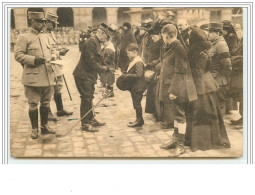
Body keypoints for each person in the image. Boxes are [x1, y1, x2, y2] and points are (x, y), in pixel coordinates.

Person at [186, 26, 230, 151]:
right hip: (201, 85)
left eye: (190, 38)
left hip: (204, 87)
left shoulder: (201, 53)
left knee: (203, 114)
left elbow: (198, 72)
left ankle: (203, 142)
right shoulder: (197, 51)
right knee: (200, 113)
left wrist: (186, 70)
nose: (188, 41)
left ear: (194, 40)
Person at [14, 12, 55, 139]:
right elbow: (18, 55)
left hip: (48, 75)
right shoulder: (24, 37)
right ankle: (34, 128)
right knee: (33, 103)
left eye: (43, 22)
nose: (43, 24)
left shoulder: (46, 37)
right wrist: (33, 60)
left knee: (46, 103)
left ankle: (44, 126)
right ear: (32, 22)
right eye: (40, 22)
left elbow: (51, 52)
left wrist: (56, 55)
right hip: (33, 77)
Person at [159, 24, 197, 156]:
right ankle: (175, 139)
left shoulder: (179, 48)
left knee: (180, 116)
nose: (162, 38)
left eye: (163, 36)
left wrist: (174, 91)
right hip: (173, 86)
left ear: (167, 35)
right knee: (176, 114)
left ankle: (180, 144)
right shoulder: (171, 47)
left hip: (180, 88)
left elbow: (180, 71)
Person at [73, 23, 111, 132]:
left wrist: (108, 67)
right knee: (86, 98)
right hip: (83, 75)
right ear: (101, 33)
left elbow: (99, 60)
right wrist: (104, 69)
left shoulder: (96, 42)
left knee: (89, 97)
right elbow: (91, 61)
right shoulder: (91, 42)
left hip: (89, 76)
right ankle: (85, 124)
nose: (107, 39)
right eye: (107, 37)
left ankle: (90, 119)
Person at [44, 12, 73, 121]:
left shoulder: (51, 33)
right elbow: (46, 52)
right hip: (48, 65)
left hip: (56, 64)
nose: (55, 26)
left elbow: (53, 48)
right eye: (53, 23)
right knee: (49, 88)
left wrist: (60, 51)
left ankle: (60, 110)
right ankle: (48, 113)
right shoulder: (42, 34)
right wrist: (58, 53)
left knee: (58, 86)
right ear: (47, 22)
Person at [208, 23, 232, 115]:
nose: (208, 34)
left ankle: (219, 127)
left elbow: (226, 63)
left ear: (217, 33)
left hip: (219, 80)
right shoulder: (213, 43)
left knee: (219, 105)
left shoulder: (221, 44)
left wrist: (225, 78)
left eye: (211, 32)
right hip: (213, 79)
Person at [124, 43, 147, 127]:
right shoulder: (134, 60)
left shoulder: (138, 62)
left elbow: (139, 74)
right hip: (135, 86)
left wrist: (127, 76)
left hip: (138, 86)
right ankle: (139, 119)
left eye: (129, 53)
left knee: (137, 103)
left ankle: (139, 120)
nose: (127, 55)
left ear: (134, 52)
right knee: (136, 102)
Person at [99, 30, 116, 97]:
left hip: (109, 66)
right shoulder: (107, 47)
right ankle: (108, 91)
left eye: (105, 42)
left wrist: (103, 63)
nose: (103, 43)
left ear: (108, 41)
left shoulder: (109, 48)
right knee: (107, 79)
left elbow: (107, 60)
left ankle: (110, 92)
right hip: (108, 65)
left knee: (109, 79)